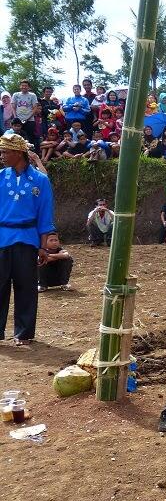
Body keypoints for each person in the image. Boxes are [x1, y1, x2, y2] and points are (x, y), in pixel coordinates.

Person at [0, 132, 55, 345]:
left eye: (5, 152)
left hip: (27, 238)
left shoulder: (40, 181)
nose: (2, 156)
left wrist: (43, 246)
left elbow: (45, 214)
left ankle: (23, 333)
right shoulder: (0, 177)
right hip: (2, 237)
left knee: (26, 287)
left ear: (18, 153)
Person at [11, 80, 38, 148]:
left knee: (29, 138)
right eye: (22, 85)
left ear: (29, 87)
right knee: (17, 137)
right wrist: (15, 117)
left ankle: (30, 155)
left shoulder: (32, 95)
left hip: (30, 120)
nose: (24, 87)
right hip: (18, 120)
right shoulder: (16, 95)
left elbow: (35, 108)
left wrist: (27, 118)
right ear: (20, 86)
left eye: (26, 86)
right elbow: (13, 107)